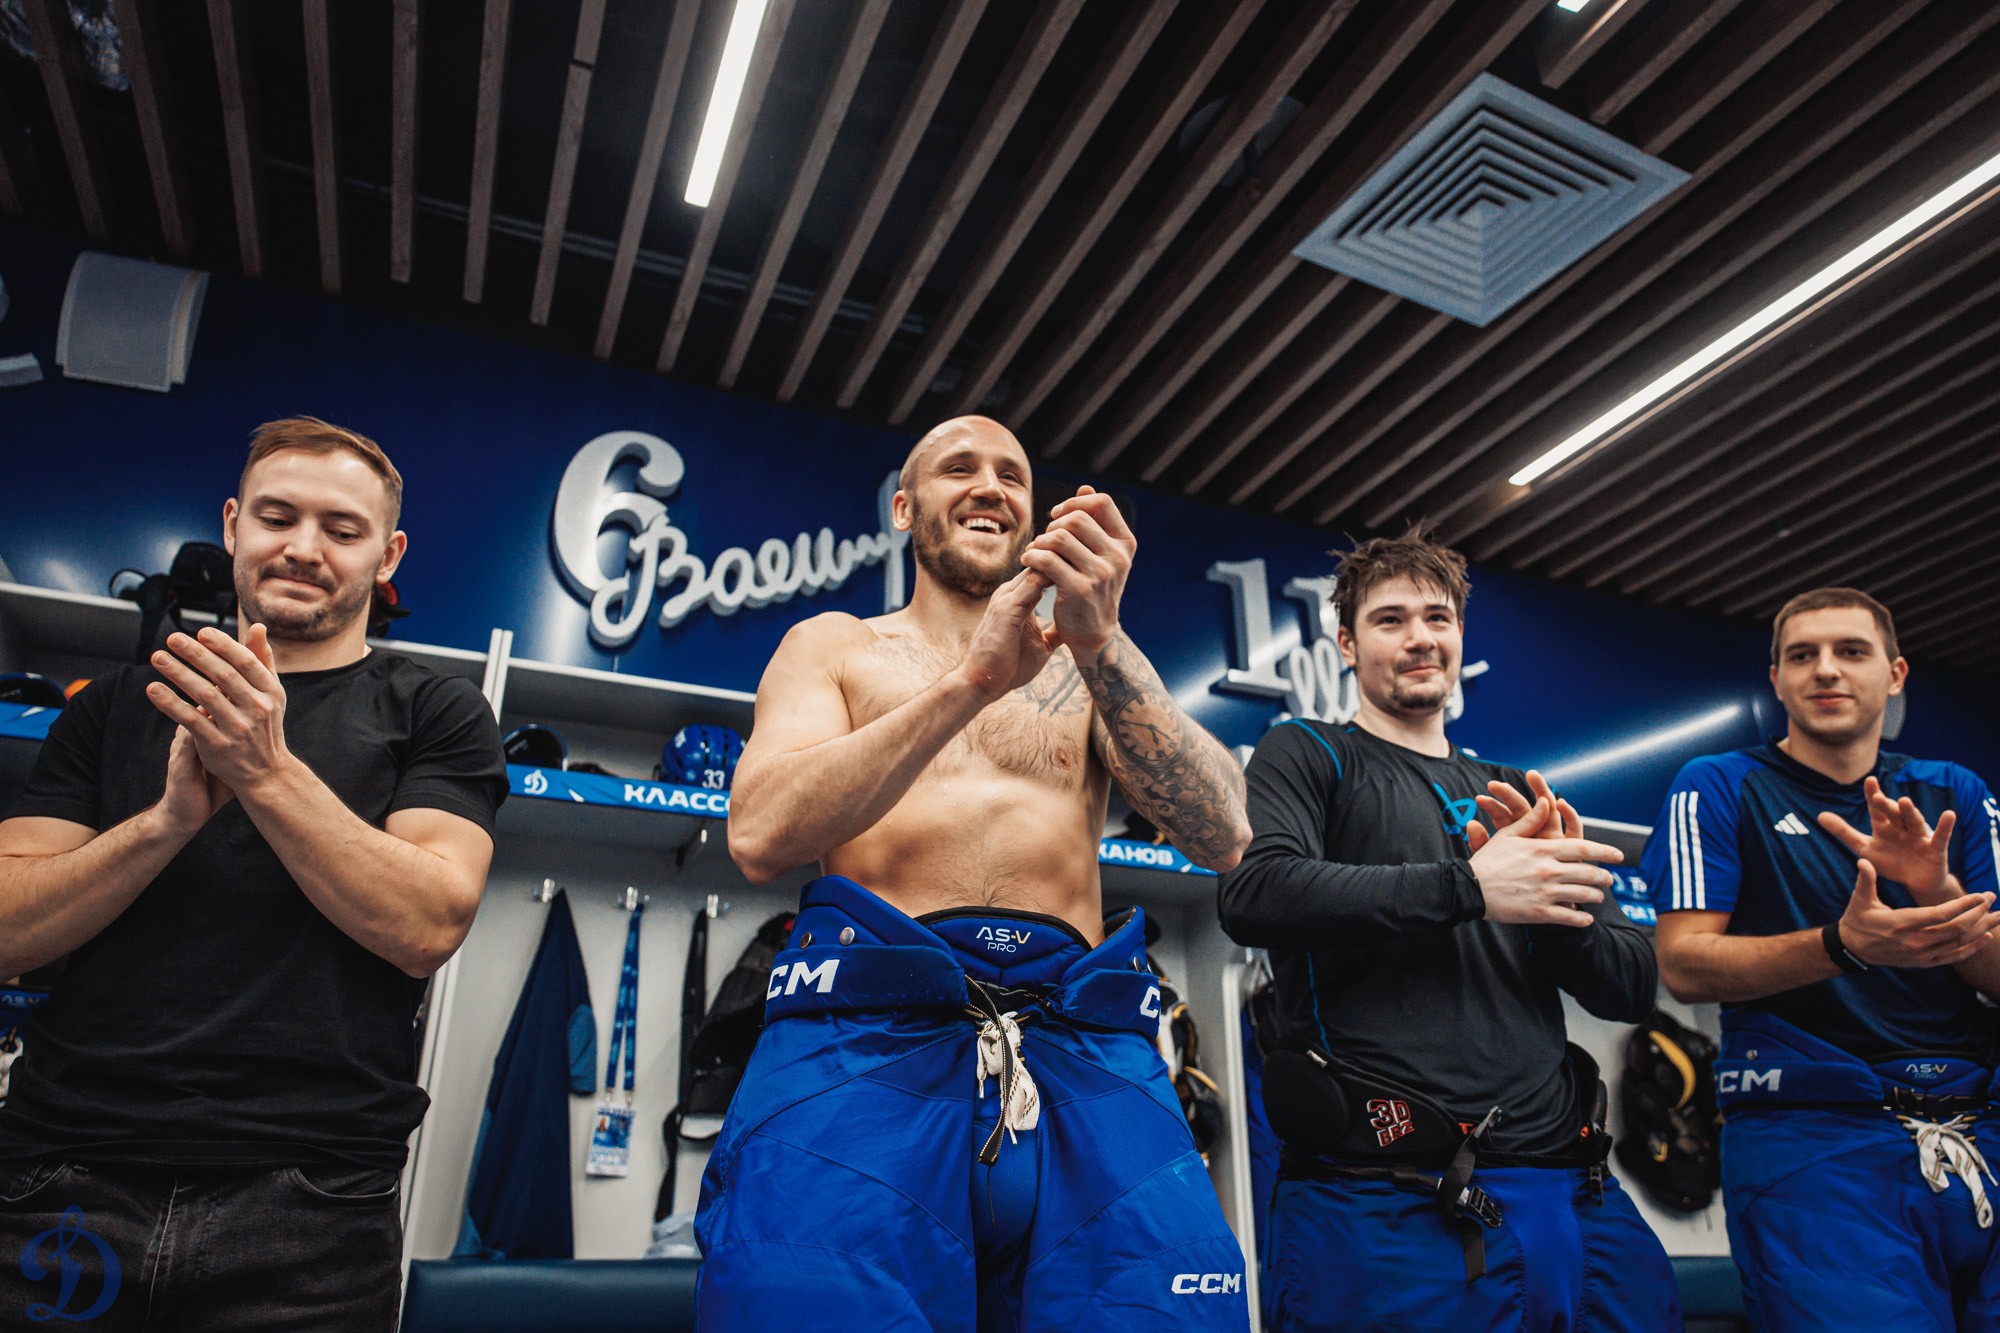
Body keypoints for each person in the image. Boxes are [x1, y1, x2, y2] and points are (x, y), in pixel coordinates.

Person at [698, 415, 1254, 1331]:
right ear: (904, 507)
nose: (991, 485)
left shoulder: (1088, 669)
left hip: (1082, 1042)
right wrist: (972, 683)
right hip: (864, 1045)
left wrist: (1103, 642)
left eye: (1013, 474)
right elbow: (759, 833)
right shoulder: (834, 646)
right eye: (960, 467)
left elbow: (1225, 832)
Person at [0, 418, 506, 1331]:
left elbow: (429, 923)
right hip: (66, 1178)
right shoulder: (118, 705)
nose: (304, 547)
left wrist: (266, 774)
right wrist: (164, 825)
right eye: (278, 516)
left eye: (342, 529)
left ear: (388, 555)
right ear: (233, 525)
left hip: (311, 1208)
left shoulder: (438, 711)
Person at [1218, 526, 1679, 1331]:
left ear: (1460, 635)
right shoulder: (1308, 752)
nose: (1420, 637)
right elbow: (1256, 891)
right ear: (1346, 644)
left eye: (1437, 617)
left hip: (1571, 1189)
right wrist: (1469, 886)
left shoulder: (1513, 789)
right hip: (1386, 1199)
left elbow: (1633, 984)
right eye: (1390, 619)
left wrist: (1555, 917)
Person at [1649, 587, 2000, 1332]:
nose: (1827, 670)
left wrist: (1937, 890)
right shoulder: (1719, 785)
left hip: (1982, 1125)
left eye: (1851, 651)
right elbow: (1682, 964)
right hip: (1813, 1140)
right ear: (1776, 679)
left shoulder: (1956, 793)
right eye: (1802, 655)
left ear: (1895, 674)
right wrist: (1843, 945)